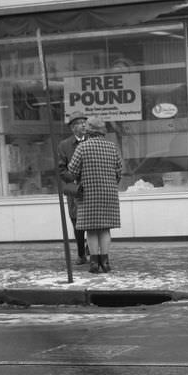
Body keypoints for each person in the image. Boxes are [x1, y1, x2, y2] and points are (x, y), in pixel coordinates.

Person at [67, 115, 122, 273]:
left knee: (91, 230)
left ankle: (94, 263)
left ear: (89, 130)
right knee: (105, 229)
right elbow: (119, 170)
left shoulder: (82, 147)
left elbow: (72, 171)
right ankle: (105, 263)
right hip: (108, 193)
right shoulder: (111, 147)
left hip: (88, 194)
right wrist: (110, 184)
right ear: (103, 130)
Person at [57, 111, 88, 263]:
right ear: (72, 128)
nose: (83, 125)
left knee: (94, 220)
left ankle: (93, 250)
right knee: (77, 221)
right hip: (75, 189)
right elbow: (61, 169)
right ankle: (81, 253)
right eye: (79, 123)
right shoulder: (64, 145)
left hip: (92, 187)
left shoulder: (93, 140)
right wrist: (73, 180)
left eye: (84, 122)